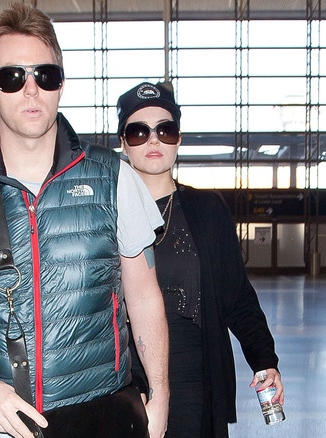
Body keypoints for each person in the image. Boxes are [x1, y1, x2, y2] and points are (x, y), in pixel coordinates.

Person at [0, 4, 169, 438]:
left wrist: (159, 396)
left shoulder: (114, 178)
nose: (31, 91)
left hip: (100, 414)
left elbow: (143, 297)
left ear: (61, 84)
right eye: (12, 77)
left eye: (44, 75)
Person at [116, 81, 283, 438]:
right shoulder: (104, 215)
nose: (154, 140)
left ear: (178, 139)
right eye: (139, 131)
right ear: (123, 143)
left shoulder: (207, 211)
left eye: (165, 129)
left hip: (195, 379)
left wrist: (264, 359)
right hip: (124, 381)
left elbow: (236, 295)